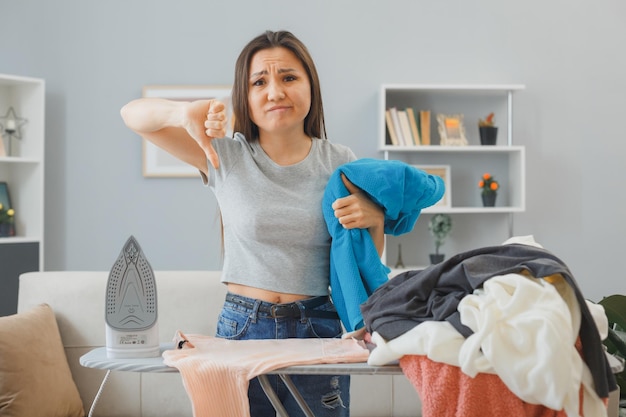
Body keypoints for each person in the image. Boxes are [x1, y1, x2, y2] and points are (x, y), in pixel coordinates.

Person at [121, 30, 384, 416]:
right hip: (244, 326)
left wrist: (374, 219)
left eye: (289, 78)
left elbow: (363, 259)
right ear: (245, 97)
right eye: (259, 82)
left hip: (319, 325)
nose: (275, 92)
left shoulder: (340, 161)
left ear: (311, 86)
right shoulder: (223, 156)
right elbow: (132, 115)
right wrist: (181, 113)